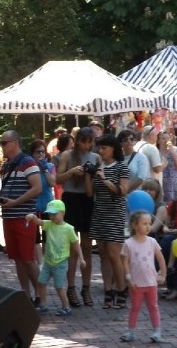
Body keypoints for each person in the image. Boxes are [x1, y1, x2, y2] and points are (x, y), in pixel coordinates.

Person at [0, 130, 43, 302]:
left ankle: (40, 294)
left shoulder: (28, 162)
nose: (1, 146)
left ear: (15, 143)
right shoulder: (7, 165)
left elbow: (37, 188)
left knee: (28, 258)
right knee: (17, 258)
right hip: (9, 216)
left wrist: (15, 202)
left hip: (24, 217)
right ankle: (26, 294)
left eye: (4, 143)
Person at [56, 127, 99, 307]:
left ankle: (86, 287)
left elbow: (98, 182)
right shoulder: (67, 155)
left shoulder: (96, 157)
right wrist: (72, 172)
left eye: (90, 142)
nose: (86, 145)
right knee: (73, 247)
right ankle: (71, 287)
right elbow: (58, 179)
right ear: (77, 140)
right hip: (71, 198)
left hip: (87, 199)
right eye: (83, 141)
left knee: (87, 246)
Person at [86, 134, 130, 309]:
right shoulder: (99, 167)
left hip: (115, 214)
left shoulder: (121, 167)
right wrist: (88, 175)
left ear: (113, 149)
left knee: (114, 254)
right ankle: (108, 290)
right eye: (100, 148)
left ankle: (121, 290)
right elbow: (90, 193)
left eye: (104, 147)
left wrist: (104, 179)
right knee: (103, 254)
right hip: (100, 213)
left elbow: (123, 190)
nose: (101, 151)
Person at [27, 200, 84, 316]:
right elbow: (38, 221)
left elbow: (76, 244)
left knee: (59, 286)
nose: (52, 217)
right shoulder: (49, 224)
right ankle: (43, 305)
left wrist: (81, 258)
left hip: (60, 263)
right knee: (41, 282)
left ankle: (66, 307)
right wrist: (32, 216)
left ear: (62, 213)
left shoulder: (68, 229)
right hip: (48, 262)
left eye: (55, 214)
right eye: (50, 214)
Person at [120, 211, 167, 343]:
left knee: (153, 307)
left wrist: (163, 274)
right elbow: (125, 262)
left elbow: (161, 259)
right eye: (144, 223)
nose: (148, 226)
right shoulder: (128, 243)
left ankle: (157, 331)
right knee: (135, 307)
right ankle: (131, 331)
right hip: (136, 283)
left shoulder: (152, 242)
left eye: (149, 224)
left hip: (151, 282)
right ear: (135, 225)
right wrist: (128, 278)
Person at [157, 132, 177, 203]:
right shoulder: (155, 152)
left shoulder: (176, 150)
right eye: (163, 138)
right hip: (161, 186)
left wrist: (172, 152)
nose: (166, 140)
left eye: (168, 138)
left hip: (175, 186)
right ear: (158, 141)